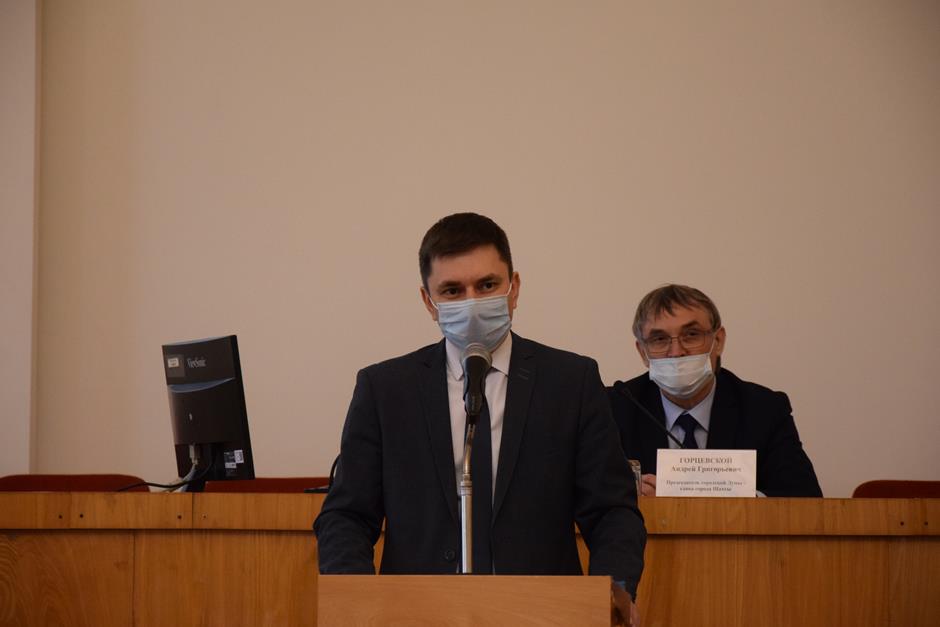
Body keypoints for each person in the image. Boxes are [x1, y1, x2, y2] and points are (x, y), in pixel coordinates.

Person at [315, 213, 646, 623]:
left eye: (487, 285)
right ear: (428, 302)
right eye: (452, 290)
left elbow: (612, 510)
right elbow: (346, 515)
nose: (471, 302)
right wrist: (357, 601)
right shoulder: (385, 389)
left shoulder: (571, 382)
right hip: (415, 614)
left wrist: (613, 594)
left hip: (544, 614)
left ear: (514, 288)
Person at [608, 284, 822, 497]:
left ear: (718, 341)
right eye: (659, 339)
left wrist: (738, 499)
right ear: (642, 352)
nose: (676, 352)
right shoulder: (615, 409)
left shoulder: (763, 409)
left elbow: (806, 500)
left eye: (691, 334)